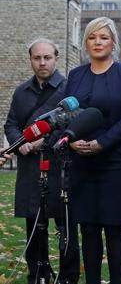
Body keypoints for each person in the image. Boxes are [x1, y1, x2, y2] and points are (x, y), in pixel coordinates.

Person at [65, 17, 121, 284]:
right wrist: (72, 139)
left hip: (117, 161)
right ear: (85, 42)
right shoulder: (76, 76)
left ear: (113, 42)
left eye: (103, 37)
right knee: (88, 227)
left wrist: (103, 143)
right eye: (92, 37)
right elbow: (67, 114)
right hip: (82, 162)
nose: (97, 42)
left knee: (113, 227)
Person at [3, 38, 80, 284]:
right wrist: (20, 141)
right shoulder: (21, 91)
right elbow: (11, 123)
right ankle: (38, 275)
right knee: (34, 227)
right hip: (29, 169)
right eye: (37, 58)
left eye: (47, 57)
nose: (42, 62)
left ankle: (67, 278)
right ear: (31, 60)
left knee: (65, 226)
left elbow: (74, 122)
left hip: (60, 167)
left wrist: (44, 142)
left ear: (56, 58)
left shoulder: (68, 89)